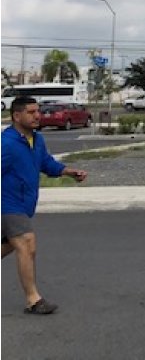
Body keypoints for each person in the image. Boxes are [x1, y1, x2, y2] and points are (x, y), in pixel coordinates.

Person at [2, 96, 87, 315]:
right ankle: (33, 300)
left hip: (23, 204)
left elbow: (46, 163)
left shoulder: (37, 140)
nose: (37, 116)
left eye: (37, 111)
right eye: (31, 112)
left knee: (12, 245)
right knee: (26, 243)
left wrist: (69, 172)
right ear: (16, 116)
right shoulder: (7, 143)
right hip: (8, 203)